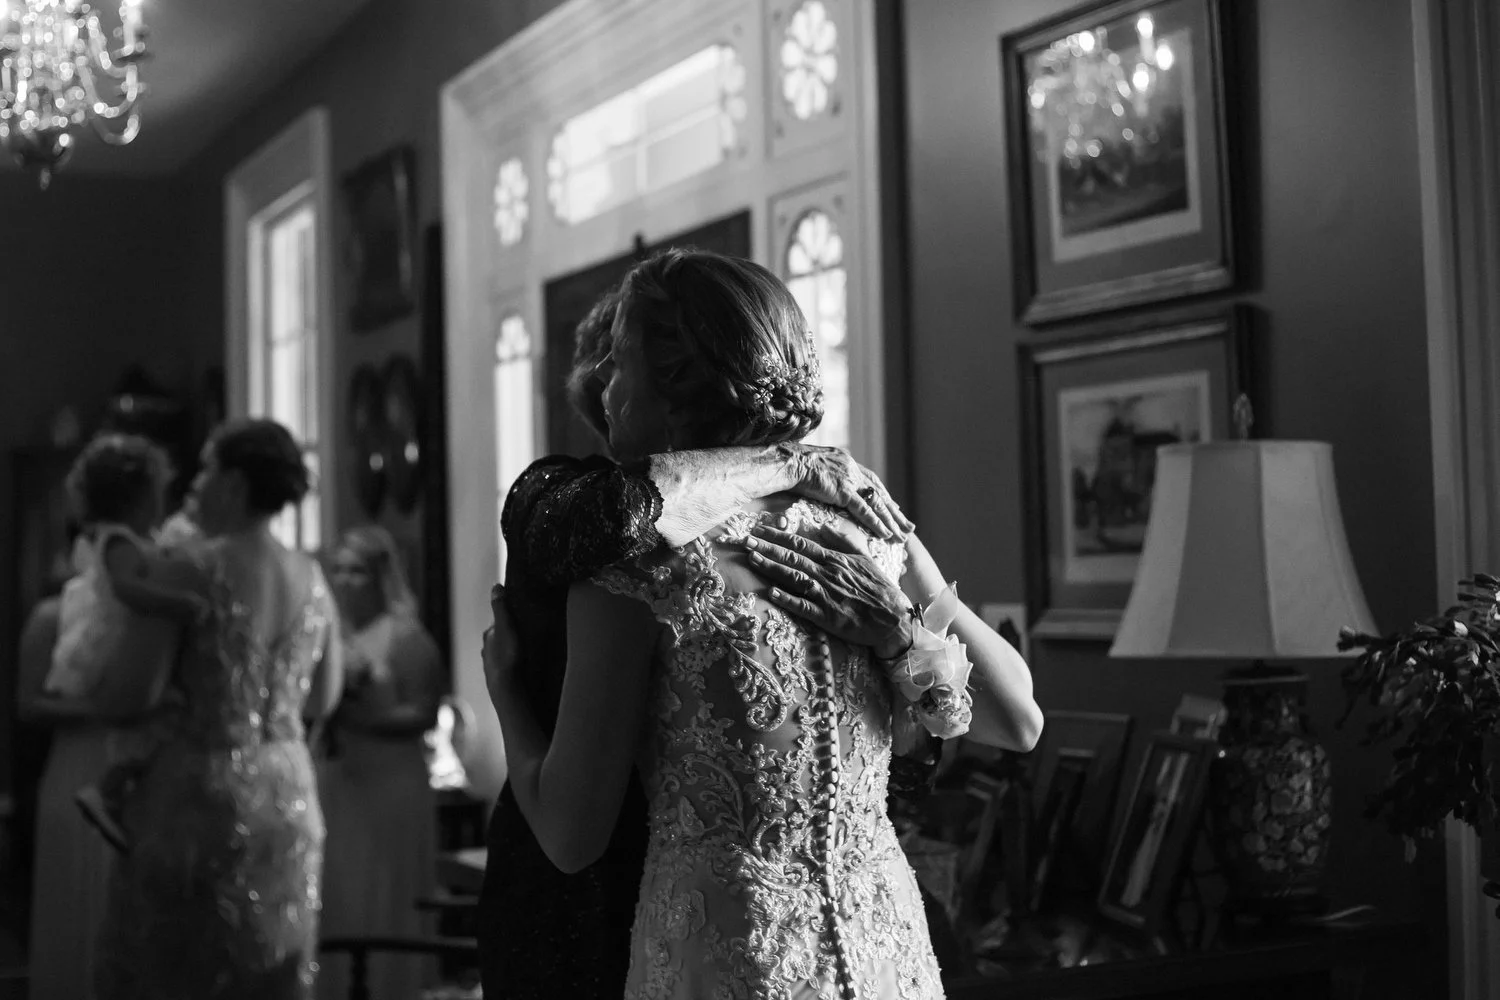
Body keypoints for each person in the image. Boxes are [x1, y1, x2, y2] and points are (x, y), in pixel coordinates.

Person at [484, 249, 1042, 998]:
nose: (604, 389)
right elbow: (1023, 721)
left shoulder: (637, 574)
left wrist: (507, 696)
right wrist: (907, 609)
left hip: (727, 961)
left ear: (675, 386)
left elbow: (570, 835)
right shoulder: (865, 524)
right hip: (887, 960)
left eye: (619, 364)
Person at [91, 417, 344, 999]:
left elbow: (132, 694)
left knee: (178, 975)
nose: (195, 486)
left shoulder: (191, 568)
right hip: (289, 794)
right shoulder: (312, 577)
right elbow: (325, 698)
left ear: (232, 482)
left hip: (199, 798)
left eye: (205, 469)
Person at [42, 434, 209, 854]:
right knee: (149, 721)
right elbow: (127, 589)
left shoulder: (134, 539)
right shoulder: (117, 539)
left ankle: (113, 789)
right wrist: (178, 604)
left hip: (122, 634)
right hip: (109, 638)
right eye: (159, 495)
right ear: (135, 499)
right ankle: (106, 790)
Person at [318, 525, 446, 1000]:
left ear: (380, 577)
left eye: (357, 570)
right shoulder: (330, 632)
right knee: (343, 888)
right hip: (342, 779)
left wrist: (361, 717)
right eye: (339, 569)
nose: (345, 580)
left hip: (391, 782)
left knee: (386, 889)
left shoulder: (406, 636)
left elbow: (425, 710)